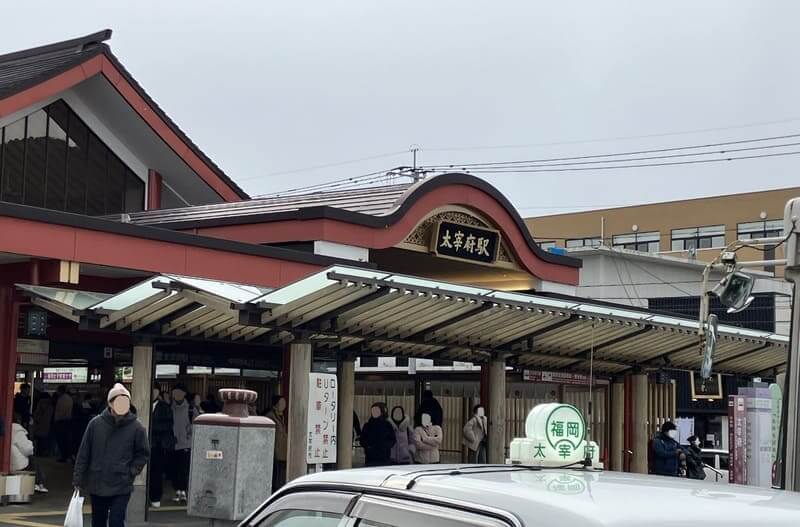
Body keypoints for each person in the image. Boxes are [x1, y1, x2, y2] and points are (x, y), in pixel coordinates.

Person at [73, 383, 149, 527]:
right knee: (98, 522)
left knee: (116, 521)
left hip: (121, 484)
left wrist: (131, 471)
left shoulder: (136, 427)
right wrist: (78, 479)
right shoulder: (95, 424)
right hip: (98, 482)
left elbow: (143, 453)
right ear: (110, 403)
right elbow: (84, 453)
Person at [149, 387, 176, 508]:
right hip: (144, 443)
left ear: (158, 392)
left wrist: (151, 426)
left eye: (155, 391)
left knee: (156, 472)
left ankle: (155, 497)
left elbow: (169, 425)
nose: (153, 393)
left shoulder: (164, 407)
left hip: (158, 445)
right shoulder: (142, 403)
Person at [11, 414, 48, 493]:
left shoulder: (8, 428)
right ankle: (38, 483)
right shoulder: (16, 430)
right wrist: (30, 442)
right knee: (32, 459)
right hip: (17, 465)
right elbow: (28, 449)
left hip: (10, 462)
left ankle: (38, 483)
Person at [170, 385, 192, 502]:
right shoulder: (170, 407)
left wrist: (188, 435)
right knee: (174, 469)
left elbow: (194, 424)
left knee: (183, 469)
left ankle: (183, 491)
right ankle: (177, 491)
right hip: (172, 444)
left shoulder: (190, 408)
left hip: (185, 444)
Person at [265, 396, 287, 489]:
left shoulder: (281, 416)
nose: (284, 405)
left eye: (284, 403)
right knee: (276, 471)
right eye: (281, 403)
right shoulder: (270, 416)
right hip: (275, 449)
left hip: (282, 449)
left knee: (281, 470)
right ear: (276, 405)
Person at [54, 385, 74, 462]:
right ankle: (67, 456)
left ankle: (64, 456)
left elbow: (60, 411)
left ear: (59, 391)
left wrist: (56, 419)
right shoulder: (69, 398)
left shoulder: (61, 399)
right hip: (67, 421)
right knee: (66, 439)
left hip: (61, 421)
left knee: (61, 439)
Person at [31, 393, 53, 457]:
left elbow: (36, 413)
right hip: (47, 424)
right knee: (44, 440)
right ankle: (43, 452)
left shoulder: (40, 403)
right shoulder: (50, 405)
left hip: (39, 424)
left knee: (39, 440)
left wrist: (36, 418)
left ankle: (38, 452)